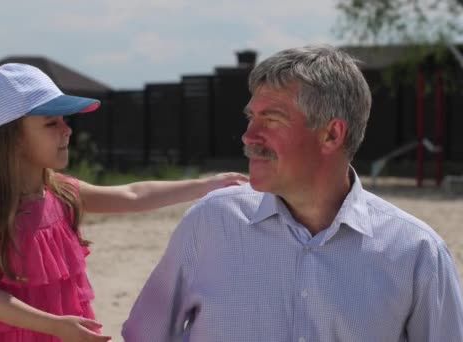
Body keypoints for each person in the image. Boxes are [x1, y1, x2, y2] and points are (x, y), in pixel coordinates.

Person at [122, 45, 463, 341]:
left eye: (271, 119)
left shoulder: (417, 254)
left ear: (331, 134)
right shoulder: (209, 224)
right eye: (251, 117)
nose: (248, 136)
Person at [0, 63, 247, 342]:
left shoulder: (63, 193)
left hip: (62, 332)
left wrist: (206, 185)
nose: (67, 130)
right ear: (12, 138)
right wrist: (56, 326)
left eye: (64, 120)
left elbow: (133, 195)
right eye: (50, 123)